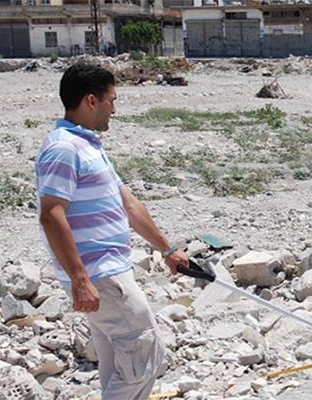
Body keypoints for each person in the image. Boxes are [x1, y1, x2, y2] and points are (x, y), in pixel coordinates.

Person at [36, 62, 189, 399]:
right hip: (99, 276)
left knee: (119, 364)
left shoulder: (89, 145)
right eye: (111, 100)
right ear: (91, 101)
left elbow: (129, 205)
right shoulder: (64, 148)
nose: (115, 109)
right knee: (144, 357)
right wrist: (80, 279)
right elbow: (51, 215)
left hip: (108, 273)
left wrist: (167, 250)